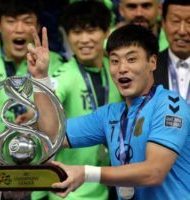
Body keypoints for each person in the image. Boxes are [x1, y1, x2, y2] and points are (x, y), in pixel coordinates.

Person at [27, 24, 190, 199]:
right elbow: (52, 135)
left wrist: (86, 173)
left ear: (152, 62)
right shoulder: (110, 114)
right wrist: (41, 78)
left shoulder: (170, 105)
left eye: (131, 59)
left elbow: (154, 172)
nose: (121, 68)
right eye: (114, 61)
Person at [32, 1, 121, 200]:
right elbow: (44, 118)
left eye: (91, 31)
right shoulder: (62, 76)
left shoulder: (116, 71)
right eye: (77, 32)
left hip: (106, 185)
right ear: (67, 35)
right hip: (69, 191)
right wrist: (34, 114)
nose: (84, 40)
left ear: (107, 31)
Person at [0, 0, 63, 133]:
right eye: (11, 21)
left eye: (27, 22)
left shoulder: (54, 62)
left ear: (37, 27)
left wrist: (37, 113)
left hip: (40, 148)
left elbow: (57, 98)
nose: (19, 29)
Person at [155, 0, 190, 104]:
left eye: (189, 22)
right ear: (163, 24)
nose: (182, 31)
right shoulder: (149, 69)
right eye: (175, 21)